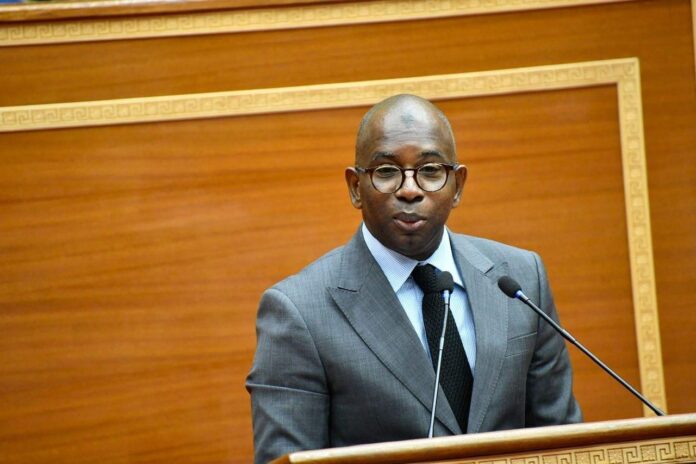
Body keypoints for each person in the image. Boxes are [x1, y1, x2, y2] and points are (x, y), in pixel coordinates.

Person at [246, 94, 582, 464]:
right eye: (387, 171)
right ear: (356, 187)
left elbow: (563, 443)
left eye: (431, 170)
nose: (410, 190)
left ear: (458, 185)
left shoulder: (520, 280)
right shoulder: (299, 313)